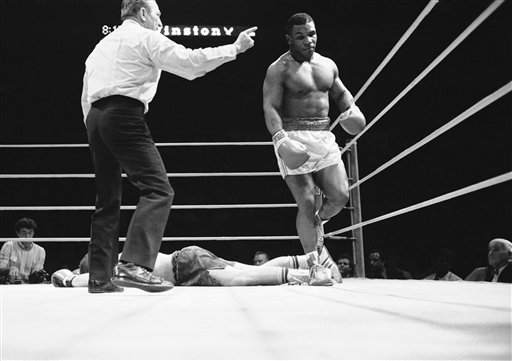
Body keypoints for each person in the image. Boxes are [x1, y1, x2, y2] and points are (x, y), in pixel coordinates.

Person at [81, 0, 257, 293]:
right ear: (143, 13)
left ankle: (100, 276)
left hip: (95, 118)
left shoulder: (101, 46)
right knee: (159, 189)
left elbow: (86, 94)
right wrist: (234, 48)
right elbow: (190, 64)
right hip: (124, 113)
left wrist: (94, 126)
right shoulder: (146, 37)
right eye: (158, 15)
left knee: (107, 199)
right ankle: (134, 264)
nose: (161, 21)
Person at [262, 13, 365, 283]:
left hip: (324, 135)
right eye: (301, 36)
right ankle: (315, 265)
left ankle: (315, 228)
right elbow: (270, 107)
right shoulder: (279, 69)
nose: (308, 40)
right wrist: (280, 138)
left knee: (340, 196)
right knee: (306, 202)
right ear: (289, 39)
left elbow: (341, 94)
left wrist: (351, 109)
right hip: (293, 134)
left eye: (312, 34)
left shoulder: (328, 65)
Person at [51, 246, 335, 288]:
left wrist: (68, 278)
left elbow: (68, 278)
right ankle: (310, 257)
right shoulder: (126, 253)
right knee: (246, 267)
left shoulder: (116, 269)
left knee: (239, 279)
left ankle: (306, 274)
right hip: (185, 256)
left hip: (184, 266)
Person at [0, 218, 48, 284]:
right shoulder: (9, 245)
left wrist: (39, 276)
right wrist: (10, 269)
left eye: (30, 233)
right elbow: (1, 268)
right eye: (23, 232)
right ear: (17, 233)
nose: (27, 236)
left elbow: (36, 275)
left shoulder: (40, 251)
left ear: (33, 234)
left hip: (29, 288)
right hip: (9, 285)